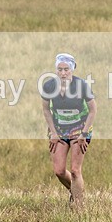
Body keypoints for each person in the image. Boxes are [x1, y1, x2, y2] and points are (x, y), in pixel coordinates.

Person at [41, 53, 97, 207]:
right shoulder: (49, 86)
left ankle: (79, 207)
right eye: (60, 69)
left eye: (66, 69)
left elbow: (93, 110)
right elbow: (46, 110)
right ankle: (76, 192)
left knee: (75, 170)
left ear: (72, 69)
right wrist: (53, 132)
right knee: (59, 171)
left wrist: (84, 134)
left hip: (80, 129)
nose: (63, 73)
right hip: (59, 129)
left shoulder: (81, 85)